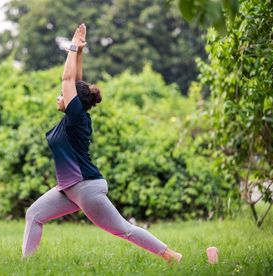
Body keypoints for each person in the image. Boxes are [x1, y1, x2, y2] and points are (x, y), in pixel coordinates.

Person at [21, 23, 182, 263]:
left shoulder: (76, 118)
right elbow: (75, 80)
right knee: (34, 214)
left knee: (123, 229)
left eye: (62, 94)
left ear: (72, 99)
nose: (59, 96)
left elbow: (67, 78)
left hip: (86, 188)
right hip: (69, 188)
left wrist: (72, 46)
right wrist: (80, 52)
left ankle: (172, 256)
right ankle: (26, 266)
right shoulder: (74, 117)